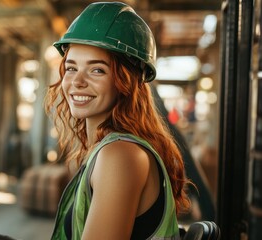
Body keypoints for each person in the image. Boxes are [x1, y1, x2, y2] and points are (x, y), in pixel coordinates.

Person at [44, 2, 192, 239]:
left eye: (97, 70)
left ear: (126, 82)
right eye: (71, 68)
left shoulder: (120, 155)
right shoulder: (111, 149)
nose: (77, 81)